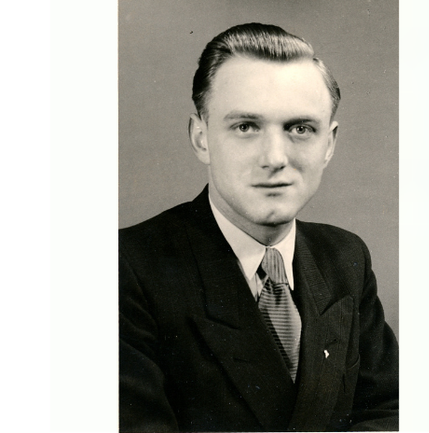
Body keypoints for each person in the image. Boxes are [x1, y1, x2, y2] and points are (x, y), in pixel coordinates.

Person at [119, 23, 398, 432]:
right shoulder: (127, 268)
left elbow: (390, 411)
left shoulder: (345, 257)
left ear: (329, 144)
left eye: (300, 128)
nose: (275, 158)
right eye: (246, 127)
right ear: (201, 138)